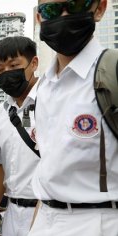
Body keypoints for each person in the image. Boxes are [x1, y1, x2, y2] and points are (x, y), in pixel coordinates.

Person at [29, 0, 118, 235]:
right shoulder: (44, 87)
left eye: (76, 6)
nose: (64, 16)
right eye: (52, 10)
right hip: (45, 220)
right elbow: (48, 170)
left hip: (100, 221)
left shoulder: (112, 71)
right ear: (39, 18)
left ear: (99, 8)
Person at [0, 36, 40, 236]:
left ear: (34, 63)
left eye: (14, 65)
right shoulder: (2, 111)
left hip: (49, 211)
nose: (6, 73)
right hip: (12, 213)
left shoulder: (53, 100)